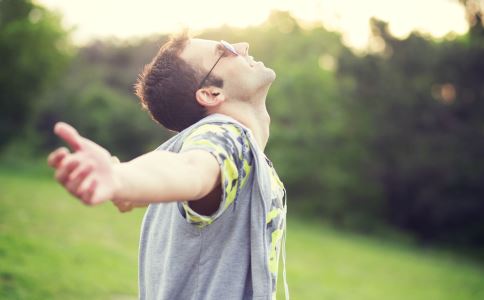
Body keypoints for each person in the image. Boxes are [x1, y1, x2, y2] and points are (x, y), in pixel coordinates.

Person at [47, 33, 289, 300]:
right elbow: (192, 169)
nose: (243, 46)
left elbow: (169, 165)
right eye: (225, 50)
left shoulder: (210, 145)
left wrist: (128, 181)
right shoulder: (226, 134)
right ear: (211, 93)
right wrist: (120, 178)